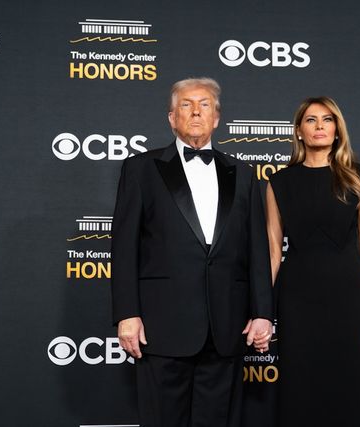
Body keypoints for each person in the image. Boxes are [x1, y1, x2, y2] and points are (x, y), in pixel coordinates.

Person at [111, 77, 273, 427]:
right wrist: (127, 313)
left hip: (226, 326)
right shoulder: (141, 169)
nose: (196, 111)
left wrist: (263, 313)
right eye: (186, 104)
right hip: (161, 327)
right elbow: (123, 247)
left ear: (217, 118)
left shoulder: (243, 173)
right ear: (172, 117)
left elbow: (257, 249)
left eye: (205, 105)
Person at [266, 97, 360, 426]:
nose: (319, 126)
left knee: (348, 389)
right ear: (299, 131)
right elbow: (273, 251)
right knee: (299, 389)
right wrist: (261, 310)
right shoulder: (279, 182)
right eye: (311, 120)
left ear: (337, 130)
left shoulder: (359, 177)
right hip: (297, 300)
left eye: (327, 119)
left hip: (348, 297)